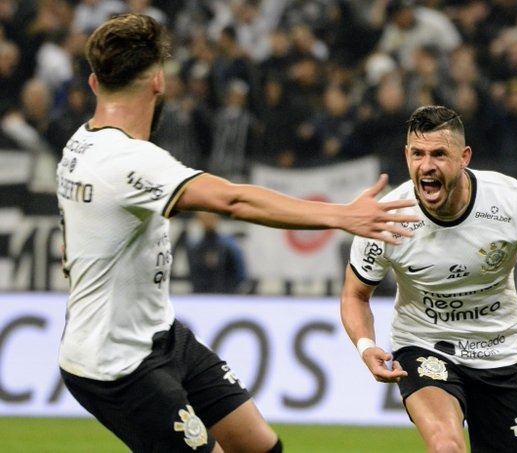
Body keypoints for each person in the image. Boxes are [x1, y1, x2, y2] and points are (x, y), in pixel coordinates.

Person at [56, 13, 419, 453]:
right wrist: (340, 214)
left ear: (94, 83)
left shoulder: (80, 143)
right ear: (158, 81)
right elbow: (233, 200)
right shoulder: (129, 160)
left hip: (162, 336)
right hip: (114, 365)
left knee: (261, 447)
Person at [340, 105, 517, 452]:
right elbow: (355, 295)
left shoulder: (510, 202)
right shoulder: (387, 217)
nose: (426, 166)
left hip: (500, 354)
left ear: (464, 157)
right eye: (417, 154)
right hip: (425, 346)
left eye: (439, 154)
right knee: (447, 445)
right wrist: (366, 345)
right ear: (406, 155)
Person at [187, 211, 248, 294]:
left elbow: (240, 273)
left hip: (226, 296)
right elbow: (194, 274)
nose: (207, 221)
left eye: (209, 218)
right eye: (204, 218)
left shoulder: (228, 246)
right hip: (201, 297)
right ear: (199, 220)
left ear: (217, 219)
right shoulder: (196, 247)